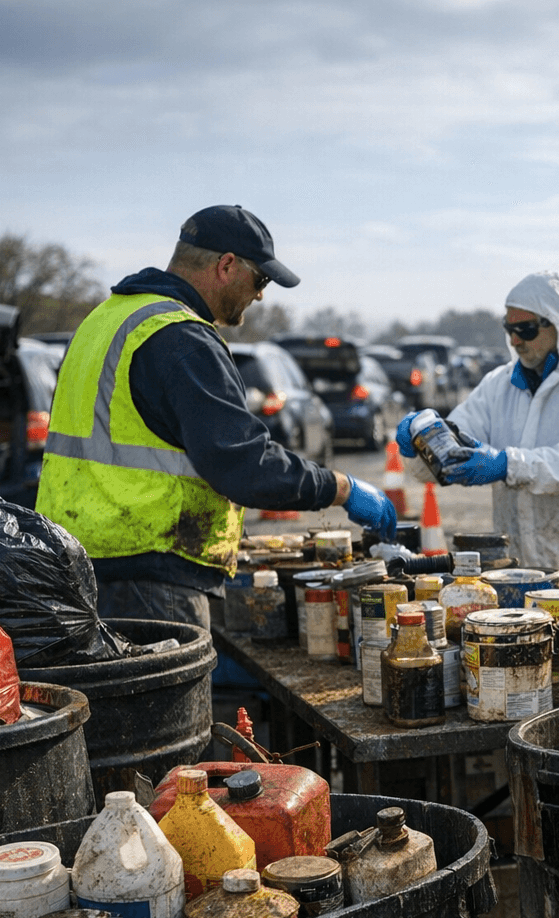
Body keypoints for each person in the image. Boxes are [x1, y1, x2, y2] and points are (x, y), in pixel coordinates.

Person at [36, 205, 396, 632]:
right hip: (152, 575)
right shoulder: (181, 338)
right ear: (227, 265)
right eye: (260, 280)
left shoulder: (104, 319)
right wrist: (341, 487)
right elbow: (243, 465)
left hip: (72, 567)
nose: (261, 295)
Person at [394, 270, 559, 642]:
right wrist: (420, 444)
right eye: (509, 329)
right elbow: (451, 451)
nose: (515, 340)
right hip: (533, 592)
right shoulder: (500, 386)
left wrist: (508, 464)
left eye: (525, 330)